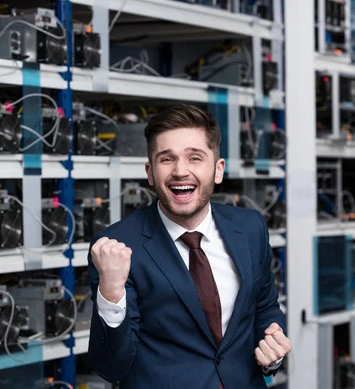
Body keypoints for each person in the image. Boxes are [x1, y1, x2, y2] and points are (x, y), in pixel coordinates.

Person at [87, 104, 291, 388]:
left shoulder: (250, 228)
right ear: (150, 172)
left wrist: (272, 349)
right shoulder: (118, 247)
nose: (181, 171)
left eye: (195, 157)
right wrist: (110, 290)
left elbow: (265, 307)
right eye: (166, 159)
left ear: (218, 170)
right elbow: (111, 366)